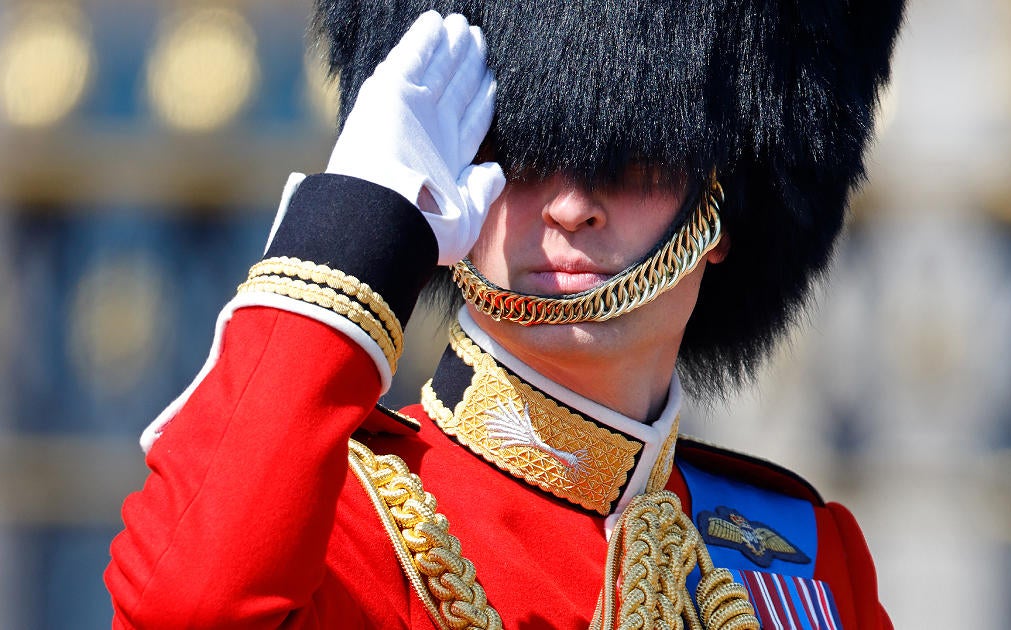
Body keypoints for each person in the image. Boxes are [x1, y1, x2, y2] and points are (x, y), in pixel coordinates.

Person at [106, 2, 905, 628]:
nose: (567, 206)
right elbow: (190, 610)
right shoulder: (342, 524)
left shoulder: (802, 561)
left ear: (720, 211)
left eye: (633, 160)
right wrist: (360, 220)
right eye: (517, 156)